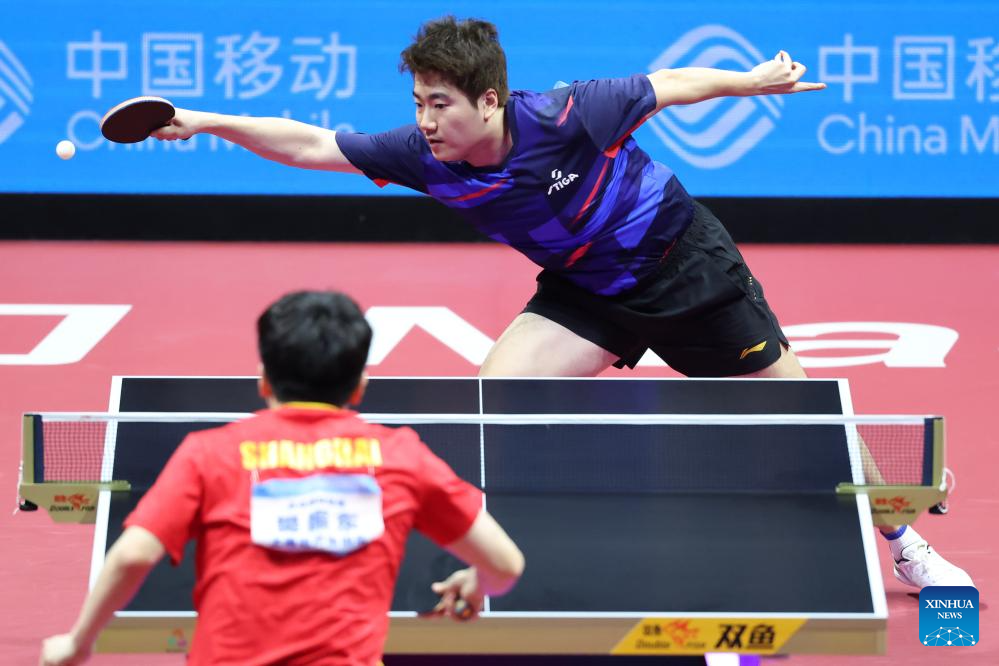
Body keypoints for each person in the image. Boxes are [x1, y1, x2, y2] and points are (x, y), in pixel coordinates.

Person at [148, 17, 971, 589]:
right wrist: (205, 120)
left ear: (491, 101)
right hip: (586, 291)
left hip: (685, 270)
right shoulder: (422, 156)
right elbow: (311, 143)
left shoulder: (570, 114)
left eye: (440, 104)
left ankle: (906, 543)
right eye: (418, 104)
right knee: (489, 396)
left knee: (806, 420)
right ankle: (483, 555)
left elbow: (671, 84)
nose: (424, 121)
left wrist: (750, 79)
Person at [40, 290, 525, 666]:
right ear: (359, 386)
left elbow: (132, 555)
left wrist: (79, 643)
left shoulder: (210, 453)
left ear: (264, 380)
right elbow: (505, 565)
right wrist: (474, 580)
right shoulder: (400, 456)